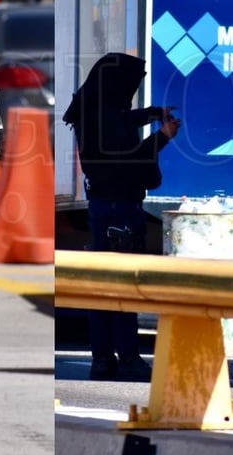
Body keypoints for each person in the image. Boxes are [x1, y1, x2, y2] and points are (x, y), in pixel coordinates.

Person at [62, 52, 180, 381]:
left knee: (102, 288)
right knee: (124, 288)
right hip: (123, 209)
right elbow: (133, 160)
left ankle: (102, 359)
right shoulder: (110, 121)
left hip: (100, 207)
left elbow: (122, 122)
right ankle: (128, 358)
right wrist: (163, 137)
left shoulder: (91, 113)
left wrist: (152, 113)